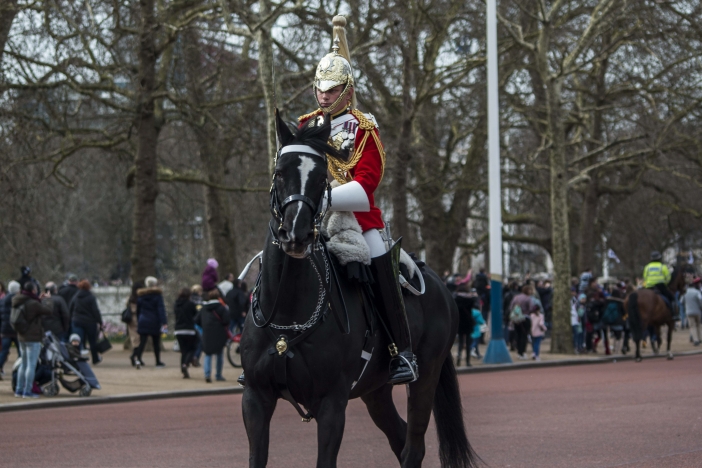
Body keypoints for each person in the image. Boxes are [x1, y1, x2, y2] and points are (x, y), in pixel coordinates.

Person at [295, 16, 417, 385]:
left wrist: (326, 195)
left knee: (381, 264)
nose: (324, 96)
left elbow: (367, 184)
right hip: (309, 217)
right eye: (320, 88)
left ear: (347, 90)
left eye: (332, 90)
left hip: (358, 219)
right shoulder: (304, 125)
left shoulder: (365, 127)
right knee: (276, 256)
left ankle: (401, 351)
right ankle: (265, 341)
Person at [12, 282, 52, 398]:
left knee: (23, 364)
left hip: (21, 336)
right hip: (33, 337)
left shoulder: (18, 300)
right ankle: (27, 391)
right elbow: (48, 310)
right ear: (33, 290)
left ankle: (19, 389)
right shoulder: (33, 303)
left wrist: (39, 299)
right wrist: (48, 300)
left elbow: (31, 309)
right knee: (31, 365)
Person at [194, 288, 230, 383]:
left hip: (207, 333)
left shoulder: (203, 308)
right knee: (219, 354)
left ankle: (207, 374)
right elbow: (227, 320)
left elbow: (196, 320)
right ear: (218, 297)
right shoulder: (221, 308)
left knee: (208, 354)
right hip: (219, 333)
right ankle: (218, 375)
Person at [134, 276, 168, 369]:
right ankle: (157, 361)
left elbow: (138, 310)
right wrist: (164, 322)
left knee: (142, 342)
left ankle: (138, 359)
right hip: (154, 320)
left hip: (143, 320)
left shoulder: (141, 296)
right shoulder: (157, 296)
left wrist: (138, 320)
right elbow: (161, 309)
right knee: (156, 342)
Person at [69, 280, 104, 365]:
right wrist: (100, 322)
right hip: (90, 322)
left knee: (77, 340)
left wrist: (71, 318)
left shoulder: (76, 297)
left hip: (77, 320)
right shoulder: (91, 297)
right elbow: (95, 311)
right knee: (92, 341)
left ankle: (77, 357)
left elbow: (70, 308)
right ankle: (95, 358)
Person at [643, 251, 677, 319]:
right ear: (659, 258)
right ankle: (673, 314)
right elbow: (668, 278)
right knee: (671, 298)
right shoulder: (663, 267)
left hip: (649, 287)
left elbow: (645, 277)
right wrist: (666, 284)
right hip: (660, 286)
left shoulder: (647, 267)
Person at [174, 288, 198, 378]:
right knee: (192, 348)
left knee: (183, 351)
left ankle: (183, 370)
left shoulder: (176, 304)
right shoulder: (191, 304)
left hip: (178, 330)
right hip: (189, 329)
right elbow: (195, 315)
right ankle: (185, 364)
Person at [1, 281, 22, 377]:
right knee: (21, 353)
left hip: (5, 330)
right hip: (17, 330)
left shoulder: (2, 301)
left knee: (4, 351)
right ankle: (18, 370)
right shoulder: (20, 300)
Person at [509, 285, 536, 360]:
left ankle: (518, 352)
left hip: (516, 319)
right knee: (524, 336)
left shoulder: (516, 297)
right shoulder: (528, 298)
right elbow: (531, 308)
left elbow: (511, 307)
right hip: (525, 318)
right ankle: (522, 352)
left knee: (517, 335)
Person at [453, 284, 475, 367]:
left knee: (460, 343)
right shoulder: (471, 299)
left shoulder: (456, 299)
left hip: (460, 322)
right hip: (468, 322)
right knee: (468, 343)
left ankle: (458, 360)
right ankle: (468, 361)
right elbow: (474, 304)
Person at [126, 281, 144, 367]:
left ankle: (136, 356)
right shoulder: (141, 298)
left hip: (131, 320)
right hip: (139, 318)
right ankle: (136, 356)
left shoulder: (130, 298)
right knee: (140, 339)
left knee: (135, 339)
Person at [683, 277, 702, 346]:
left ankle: (695, 340)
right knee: (698, 325)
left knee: (692, 326)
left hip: (689, 311)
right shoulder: (697, 292)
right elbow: (700, 300)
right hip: (697, 311)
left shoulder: (685, 293)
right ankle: (700, 338)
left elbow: (681, 301)